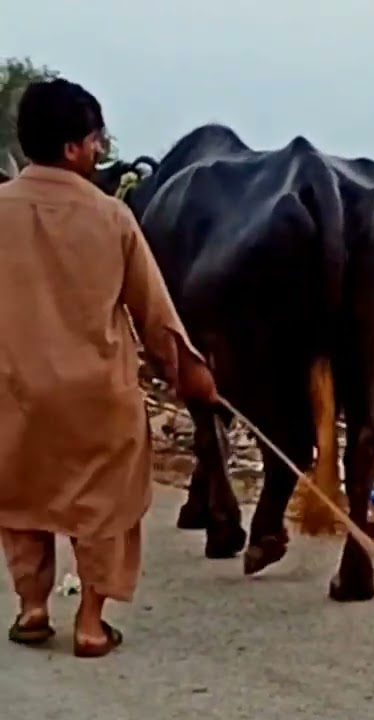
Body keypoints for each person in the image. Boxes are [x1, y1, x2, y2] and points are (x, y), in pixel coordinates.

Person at [0, 78, 217, 658]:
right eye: (95, 140)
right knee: (105, 504)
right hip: (96, 396)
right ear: (73, 148)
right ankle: (91, 623)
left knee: (20, 499)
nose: (100, 151)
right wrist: (191, 374)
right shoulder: (111, 218)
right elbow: (156, 316)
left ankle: (33, 607)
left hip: (14, 392)